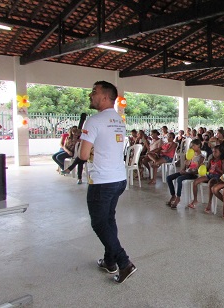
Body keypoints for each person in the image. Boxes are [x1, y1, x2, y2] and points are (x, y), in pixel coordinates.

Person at [79, 81, 136, 284]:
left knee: (99, 223)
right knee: (109, 220)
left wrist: (82, 142)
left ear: (104, 97)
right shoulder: (119, 120)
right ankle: (110, 261)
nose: (90, 95)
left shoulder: (93, 121)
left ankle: (124, 262)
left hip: (102, 181)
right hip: (118, 179)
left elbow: (83, 155)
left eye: (94, 92)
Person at [166, 139, 205, 209]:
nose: (191, 146)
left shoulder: (201, 157)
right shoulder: (191, 154)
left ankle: (178, 197)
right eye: (191, 145)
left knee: (179, 179)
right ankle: (173, 195)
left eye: (193, 145)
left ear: (199, 146)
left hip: (193, 174)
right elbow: (187, 165)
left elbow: (198, 171)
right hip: (187, 172)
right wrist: (184, 168)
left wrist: (186, 172)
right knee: (168, 178)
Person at [186, 146, 224, 211]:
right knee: (195, 182)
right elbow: (207, 169)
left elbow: (223, 173)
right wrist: (203, 166)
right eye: (213, 152)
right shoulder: (211, 160)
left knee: (210, 184)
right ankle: (195, 199)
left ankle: (209, 203)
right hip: (209, 175)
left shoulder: (222, 161)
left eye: (216, 152)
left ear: (220, 153)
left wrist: (218, 169)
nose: (214, 153)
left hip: (217, 177)